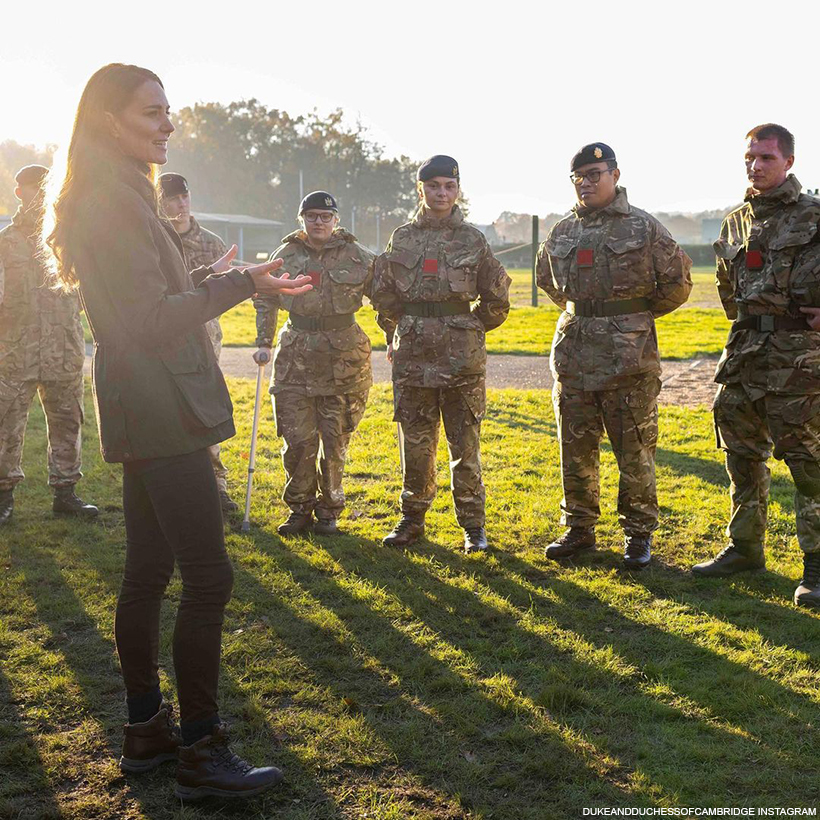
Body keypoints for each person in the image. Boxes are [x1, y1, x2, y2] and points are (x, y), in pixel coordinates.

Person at [42, 63, 312, 800]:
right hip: (160, 409)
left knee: (147, 574)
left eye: (169, 110)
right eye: (153, 112)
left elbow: (152, 303)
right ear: (109, 120)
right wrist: (242, 285)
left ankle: (147, 732)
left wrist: (223, 279)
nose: (168, 124)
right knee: (209, 575)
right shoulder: (112, 201)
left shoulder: (121, 192)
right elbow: (151, 319)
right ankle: (201, 750)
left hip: (147, 404)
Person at [537, 143, 692, 569]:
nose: (586, 183)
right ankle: (579, 528)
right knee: (576, 447)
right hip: (574, 357)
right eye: (579, 176)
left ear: (615, 174)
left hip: (629, 361)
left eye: (595, 173)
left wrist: (630, 319)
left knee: (635, 449)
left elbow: (677, 283)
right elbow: (546, 280)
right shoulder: (562, 231)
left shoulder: (643, 227)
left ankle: (638, 534)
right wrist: (585, 314)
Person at [692, 123, 820, 608]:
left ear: (788, 161)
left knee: (809, 464)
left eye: (766, 157)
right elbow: (730, 290)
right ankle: (745, 548)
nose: (756, 165)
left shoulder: (813, 216)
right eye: (750, 157)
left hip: (799, 359)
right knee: (742, 456)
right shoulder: (735, 223)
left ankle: (817, 567)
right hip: (745, 352)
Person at [371, 155, 511, 553]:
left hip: (460, 359)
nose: (442, 194)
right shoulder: (402, 238)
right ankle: (412, 519)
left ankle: (473, 525)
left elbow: (497, 295)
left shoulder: (472, 239)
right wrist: (402, 328)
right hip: (413, 356)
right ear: (422, 190)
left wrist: (469, 327)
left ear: (458, 190)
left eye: (449, 187)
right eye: (434, 186)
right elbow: (383, 292)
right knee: (416, 444)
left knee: (464, 445)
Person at [253, 191, 375, 536]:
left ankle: (330, 511)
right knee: (297, 440)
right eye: (311, 216)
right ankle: (300, 509)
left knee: (335, 441)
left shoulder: (359, 255)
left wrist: (396, 336)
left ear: (336, 220)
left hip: (345, 359)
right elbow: (265, 297)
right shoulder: (285, 255)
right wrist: (263, 341)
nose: (318, 222)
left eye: (325, 216)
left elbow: (385, 295)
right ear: (301, 219)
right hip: (295, 357)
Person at [0, 164, 98, 524]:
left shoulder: (68, 240)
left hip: (63, 350)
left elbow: (94, 292)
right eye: (32, 188)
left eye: (45, 188)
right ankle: (3, 496)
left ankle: (66, 493)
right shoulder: (5, 243)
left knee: (68, 423)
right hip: (15, 352)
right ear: (19, 193)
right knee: (6, 426)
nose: (39, 195)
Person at [160, 172, 238, 514]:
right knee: (168, 412)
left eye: (184, 196)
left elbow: (224, 295)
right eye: (172, 198)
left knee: (206, 412)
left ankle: (216, 486)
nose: (181, 203)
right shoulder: (155, 242)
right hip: (165, 340)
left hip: (205, 340)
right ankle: (175, 488)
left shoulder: (211, 243)